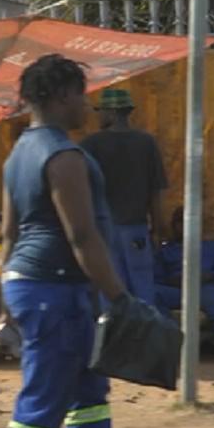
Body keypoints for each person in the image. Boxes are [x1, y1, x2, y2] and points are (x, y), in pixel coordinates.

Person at [0, 55, 154, 428]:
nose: (87, 105)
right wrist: (120, 297)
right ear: (62, 95)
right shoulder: (63, 157)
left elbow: (8, 233)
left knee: (88, 400)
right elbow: (82, 236)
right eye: (82, 95)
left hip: (36, 286)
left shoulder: (20, 151)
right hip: (56, 289)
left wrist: (5, 302)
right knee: (41, 405)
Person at [79, 87, 167, 310]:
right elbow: (156, 190)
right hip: (136, 231)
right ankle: (146, 339)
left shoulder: (91, 145)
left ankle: (113, 340)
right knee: (143, 290)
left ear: (111, 112)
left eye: (101, 111)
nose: (98, 116)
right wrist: (158, 229)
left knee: (110, 291)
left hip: (104, 233)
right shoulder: (146, 143)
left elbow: (81, 191)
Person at [153, 207, 214, 359]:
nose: (186, 227)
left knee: (213, 294)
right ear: (175, 226)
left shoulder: (213, 248)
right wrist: (173, 281)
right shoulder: (166, 251)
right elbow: (157, 278)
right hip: (176, 292)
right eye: (181, 223)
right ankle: (172, 336)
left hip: (202, 290)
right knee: (152, 292)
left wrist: (208, 276)